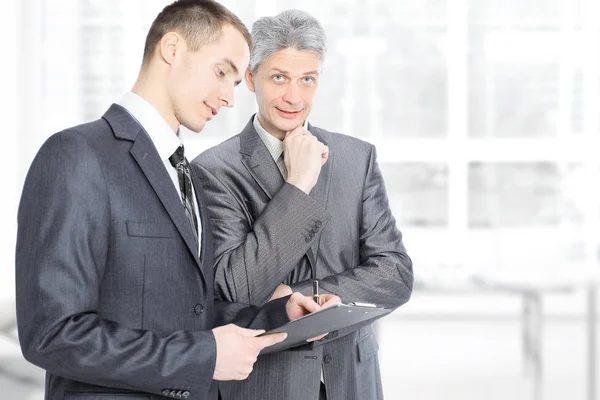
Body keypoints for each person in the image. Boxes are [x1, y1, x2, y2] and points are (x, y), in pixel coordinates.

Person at [15, 2, 338, 399]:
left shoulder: (186, 173)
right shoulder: (76, 155)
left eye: (235, 83)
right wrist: (202, 356)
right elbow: (52, 334)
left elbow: (189, 311)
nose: (229, 98)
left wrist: (278, 315)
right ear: (172, 49)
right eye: (221, 72)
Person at [192, 9, 414, 400]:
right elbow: (235, 287)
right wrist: (299, 183)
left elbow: (394, 273)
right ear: (250, 78)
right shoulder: (213, 170)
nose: (294, 97)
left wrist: (307, 296)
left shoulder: (355, 158)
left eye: (307, 80)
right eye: (279, 78)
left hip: (353, 380)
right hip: (266, 384)